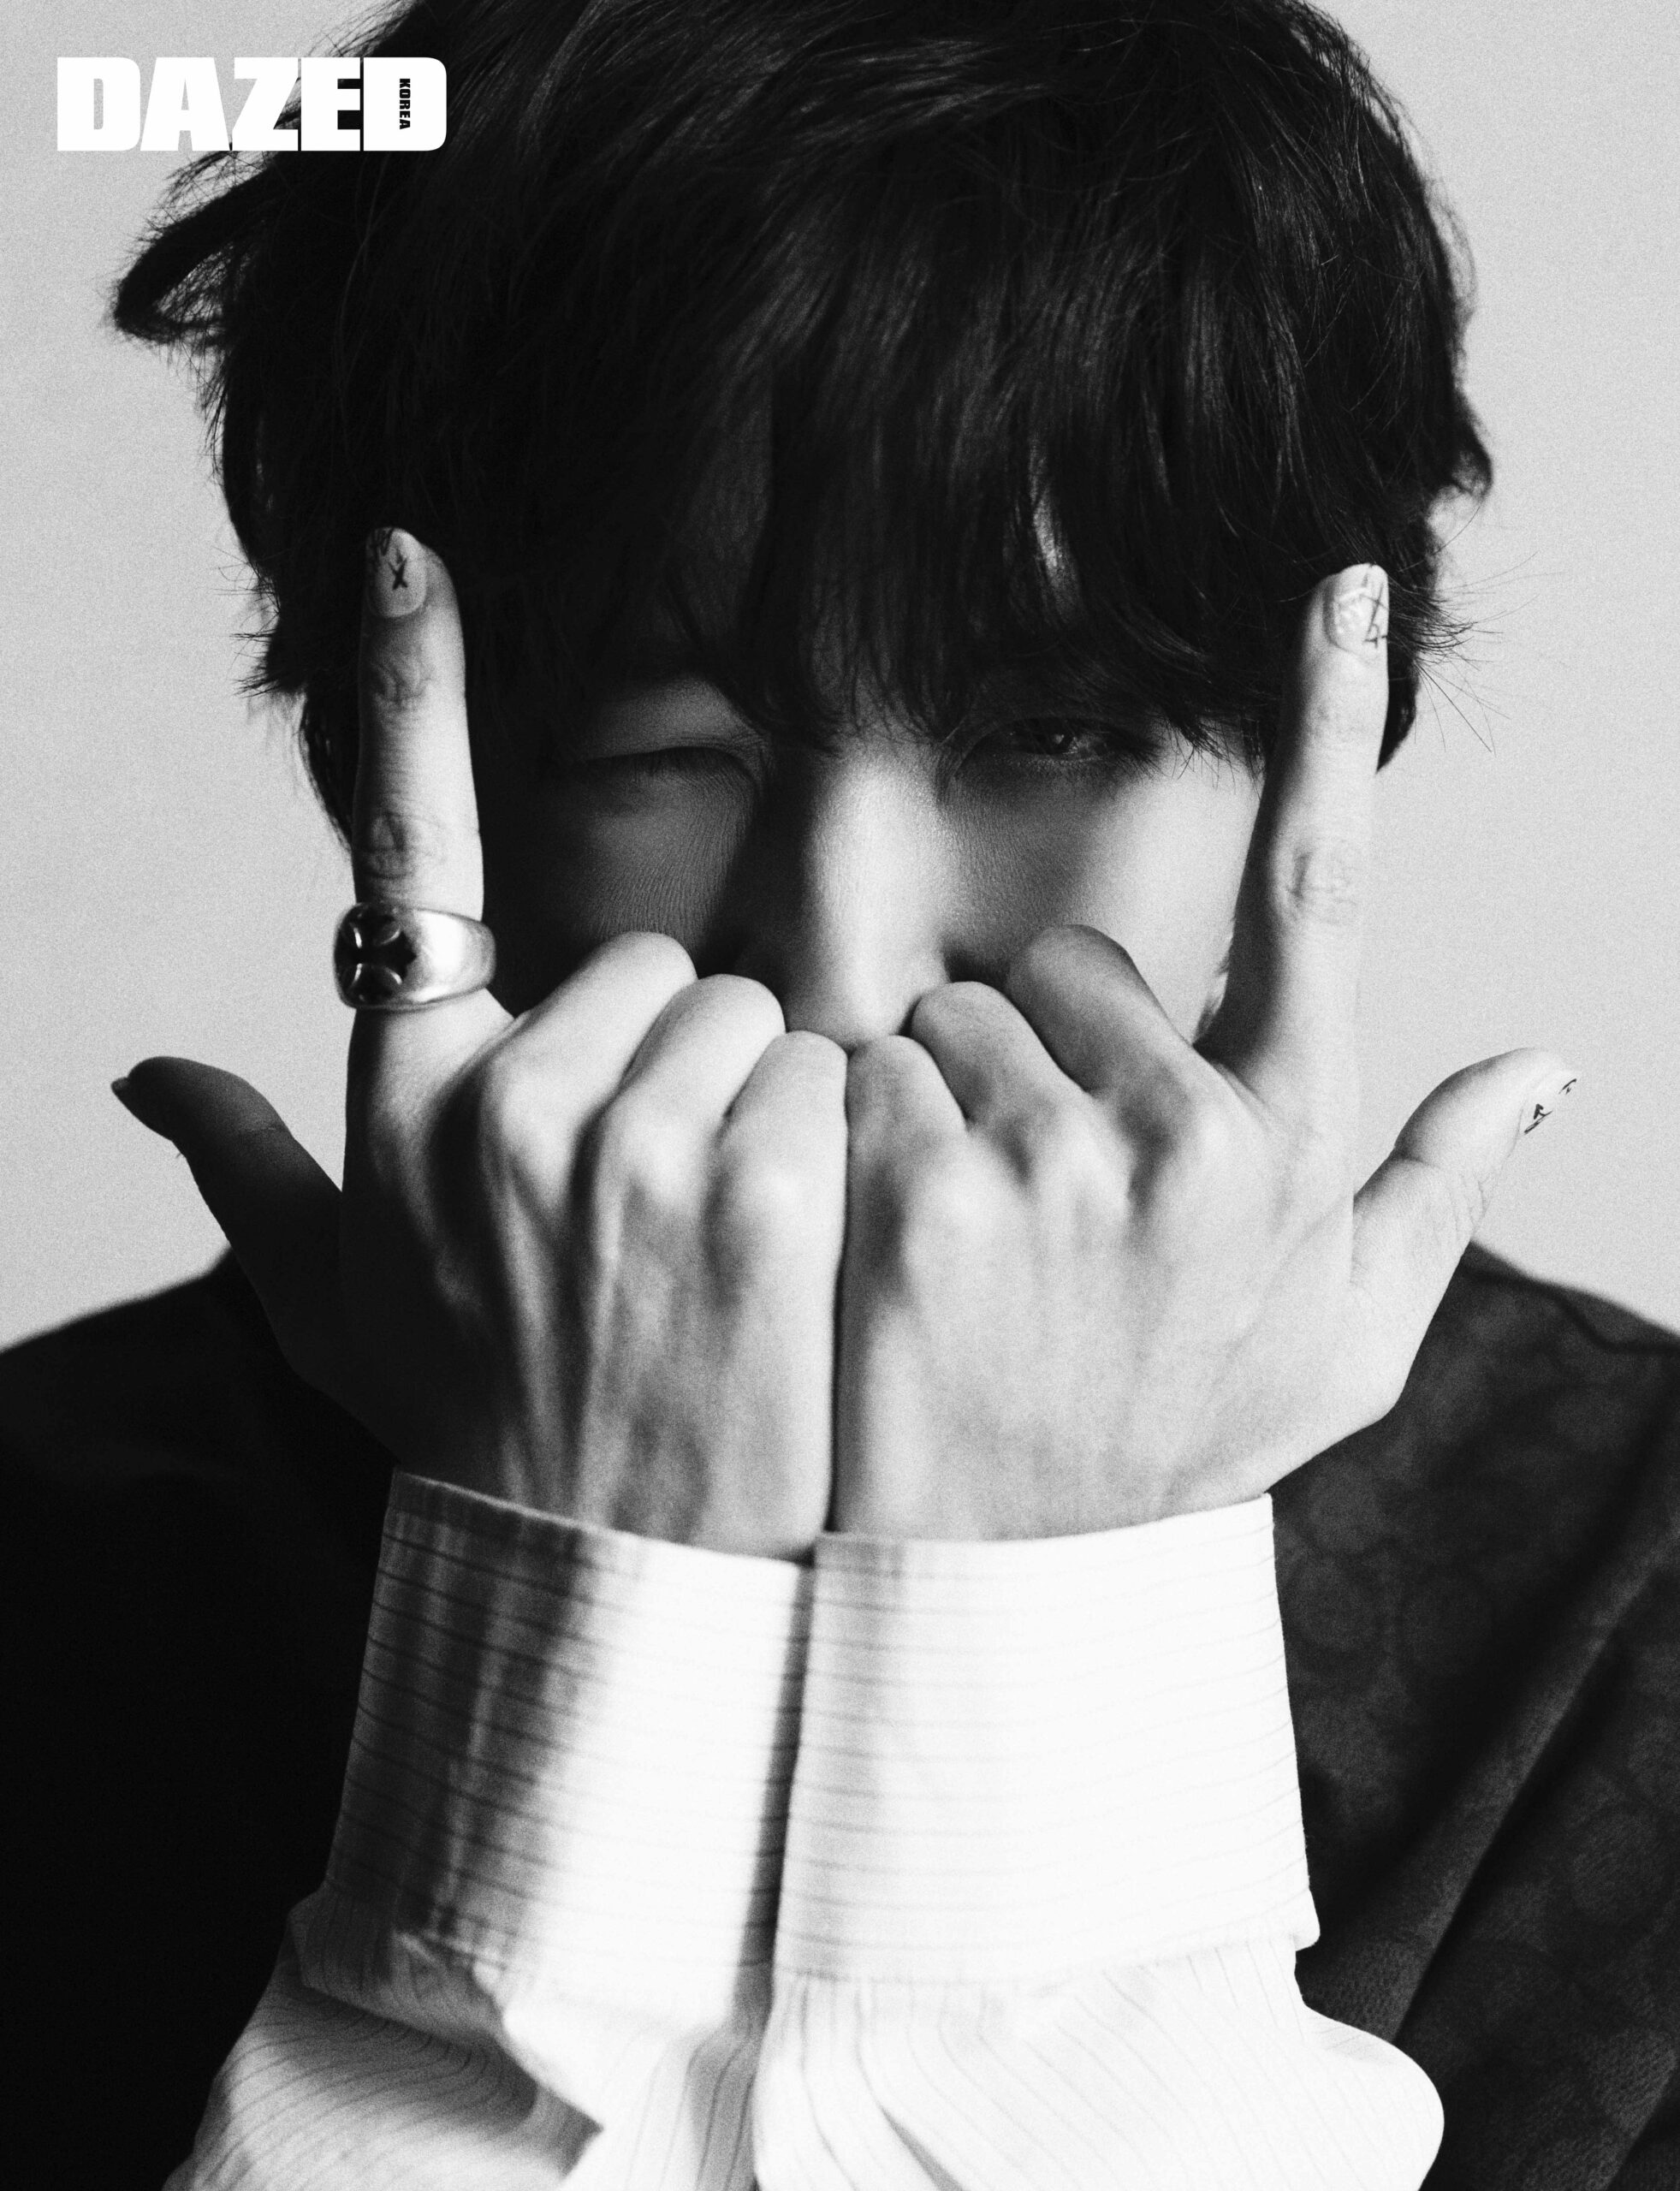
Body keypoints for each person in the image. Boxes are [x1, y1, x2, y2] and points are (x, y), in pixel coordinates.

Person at [6, 0, 1678, 2185]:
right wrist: (579, 1610)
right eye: (662, 751)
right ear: (398, 770)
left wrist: (1035, 1626)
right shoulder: (55, 1574)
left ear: (1310, 763)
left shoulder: (1633, 1615)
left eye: (1052, 734)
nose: (846, 965)